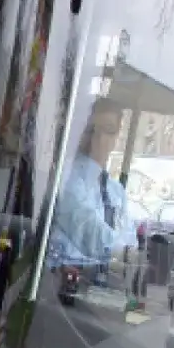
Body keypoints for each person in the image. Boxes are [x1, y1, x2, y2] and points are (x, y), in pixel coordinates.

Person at [47, 97, 138, 289]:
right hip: (57, 288)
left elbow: (128, 240)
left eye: (109, 130)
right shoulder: (65, 178)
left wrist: (131, 256)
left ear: (116, 137)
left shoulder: (115, 192)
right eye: (91, 130)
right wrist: (125, 254)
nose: (99, 138)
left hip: (98, 286)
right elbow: (88, 230)